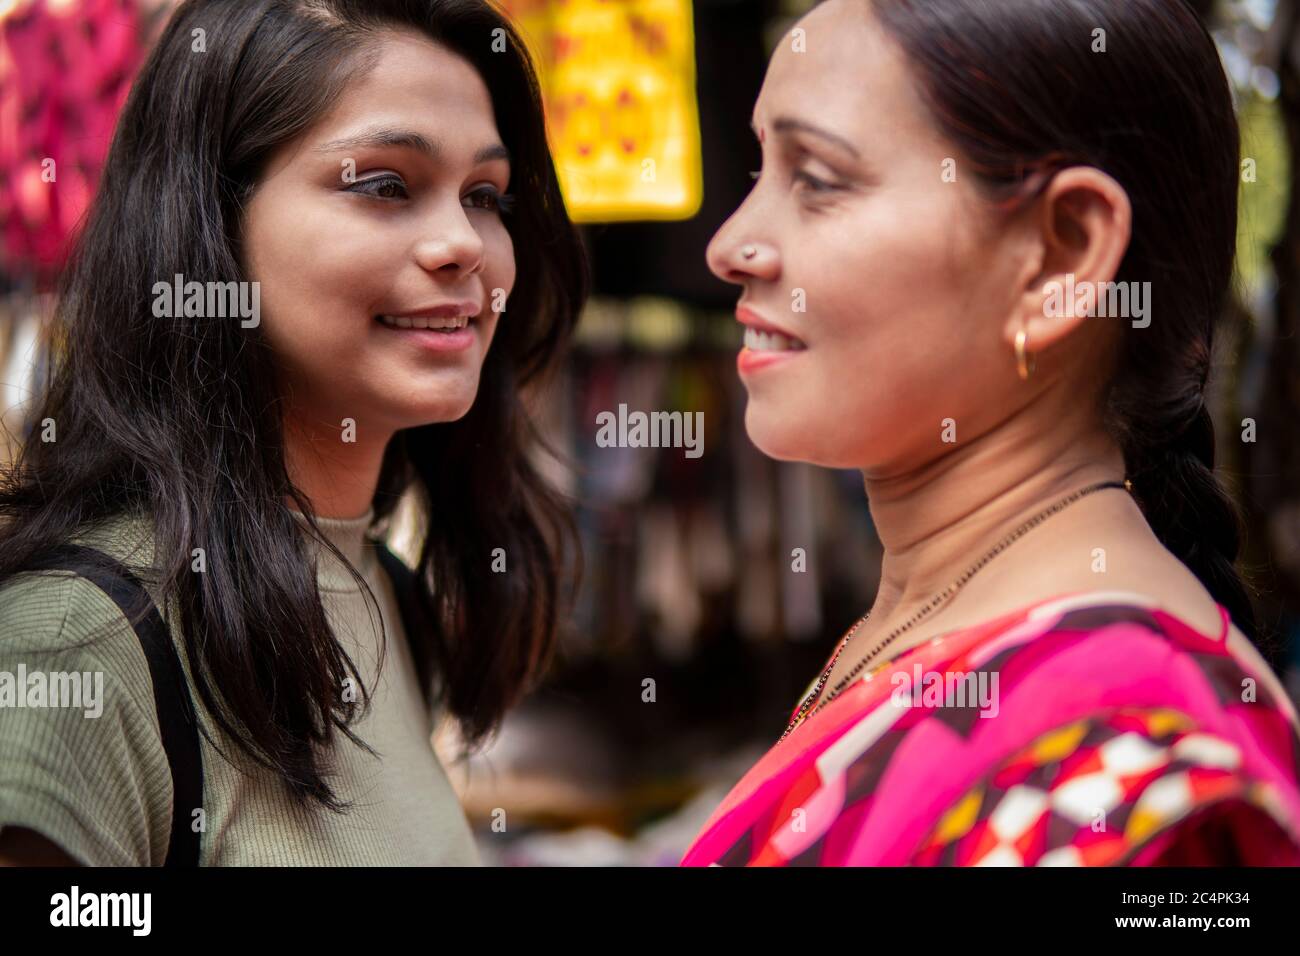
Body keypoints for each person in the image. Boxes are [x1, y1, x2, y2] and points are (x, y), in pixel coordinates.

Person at [684, 0, 1300, 866]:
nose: (730, 244)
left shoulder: (1113, 757)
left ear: (1062, 256)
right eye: (759, 171)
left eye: (816, 179)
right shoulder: (936, 622)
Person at [0, 0, 587, 865]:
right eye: (385, 184)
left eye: (485, 196)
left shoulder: (382, 595)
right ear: (211, 221)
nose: (465, 243)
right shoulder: (78, 643)